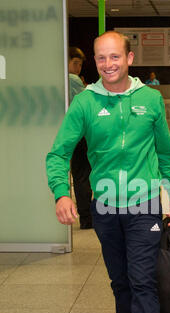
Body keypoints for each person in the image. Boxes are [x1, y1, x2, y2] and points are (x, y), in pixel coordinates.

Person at [46, 31, 170, 313]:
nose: (108, 64)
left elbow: (166, 153)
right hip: (105, 206)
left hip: (145, 202)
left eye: (115, 57)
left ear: (130, 58)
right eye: (101, 58)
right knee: (119, 279)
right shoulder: (85, 103)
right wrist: (62, 193)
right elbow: (58, 153)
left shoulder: (150, 99)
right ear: (94, 61)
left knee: (142, 280)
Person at [68, 47, 93, 229]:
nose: (78, 68)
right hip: (81, 134)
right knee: (84, 175)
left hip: (68, 133)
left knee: (78, 174)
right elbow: (88, 100)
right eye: (75, 63)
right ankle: (86, 217)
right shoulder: (72, 79)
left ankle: (84, 215)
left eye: (80, 64)